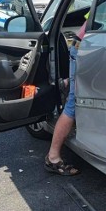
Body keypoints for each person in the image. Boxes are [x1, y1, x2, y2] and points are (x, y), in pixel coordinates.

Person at [44, 19, 87, 176]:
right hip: (84, 46)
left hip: (84, 44)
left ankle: (68, 82)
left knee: (79, 95)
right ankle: (53, 157)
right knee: (72, 105)